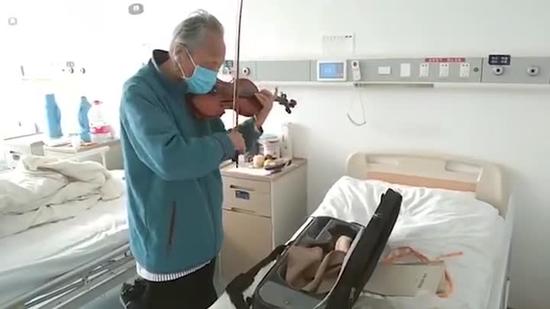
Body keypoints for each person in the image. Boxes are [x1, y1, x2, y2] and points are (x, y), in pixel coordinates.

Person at [119, 9, 274, 309]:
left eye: (219, 68)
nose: (214, 78)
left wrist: (255, 124)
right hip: (168, 251)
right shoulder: (139, 94)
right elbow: (171, 159)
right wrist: (225, 142)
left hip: (204, 242)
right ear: (180, 53)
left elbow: (223, 145)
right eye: (209, 66)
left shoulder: (192, 91)